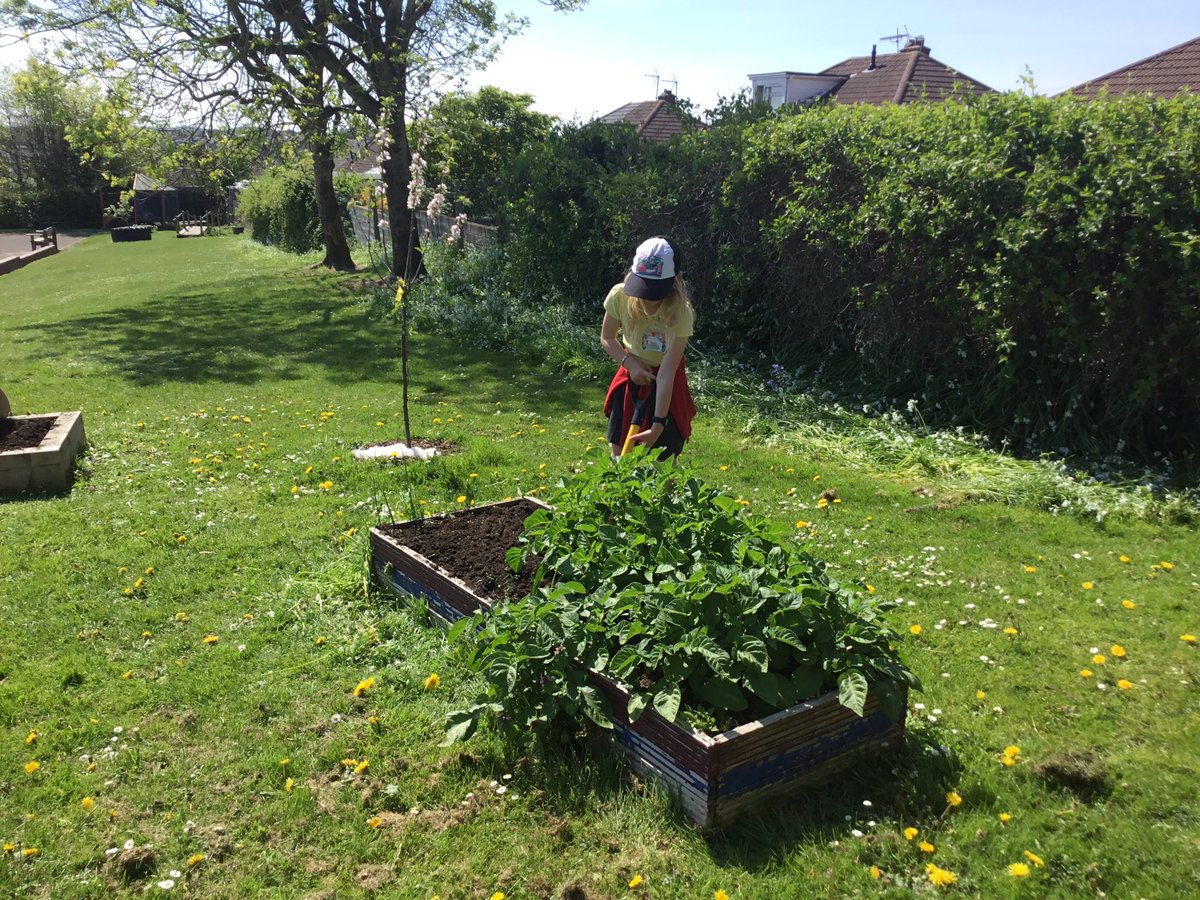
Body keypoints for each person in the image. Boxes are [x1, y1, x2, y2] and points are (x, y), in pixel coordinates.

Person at [600, 236, 697, 461]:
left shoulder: (681, 312)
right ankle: (619, 492)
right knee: (620, 451)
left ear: (672, 283)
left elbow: (667, 373)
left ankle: (664, 494)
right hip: (631, 376)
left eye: (655, 293)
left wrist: (658, 424)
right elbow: (607, 338)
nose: (648, 301)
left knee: (663, 458)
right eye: (644, 289)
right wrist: (630, 364)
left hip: (666, 383)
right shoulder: (619, 296)